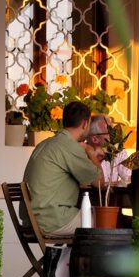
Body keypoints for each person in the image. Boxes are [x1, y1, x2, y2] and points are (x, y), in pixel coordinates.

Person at [23, 101, 103, 236]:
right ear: (85, 123)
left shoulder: (46, 143)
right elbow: (100, 183)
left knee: (90, 216)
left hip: (32, 220)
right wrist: (91, 154)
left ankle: (66, 258)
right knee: (106, 221)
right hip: (52, 220)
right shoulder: (69, 146)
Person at [85, 114, 132, 184]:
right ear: (95, 139)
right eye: (110, 132)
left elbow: (129, 179)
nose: (115, 135)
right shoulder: (79, 154)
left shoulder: (118, 151)